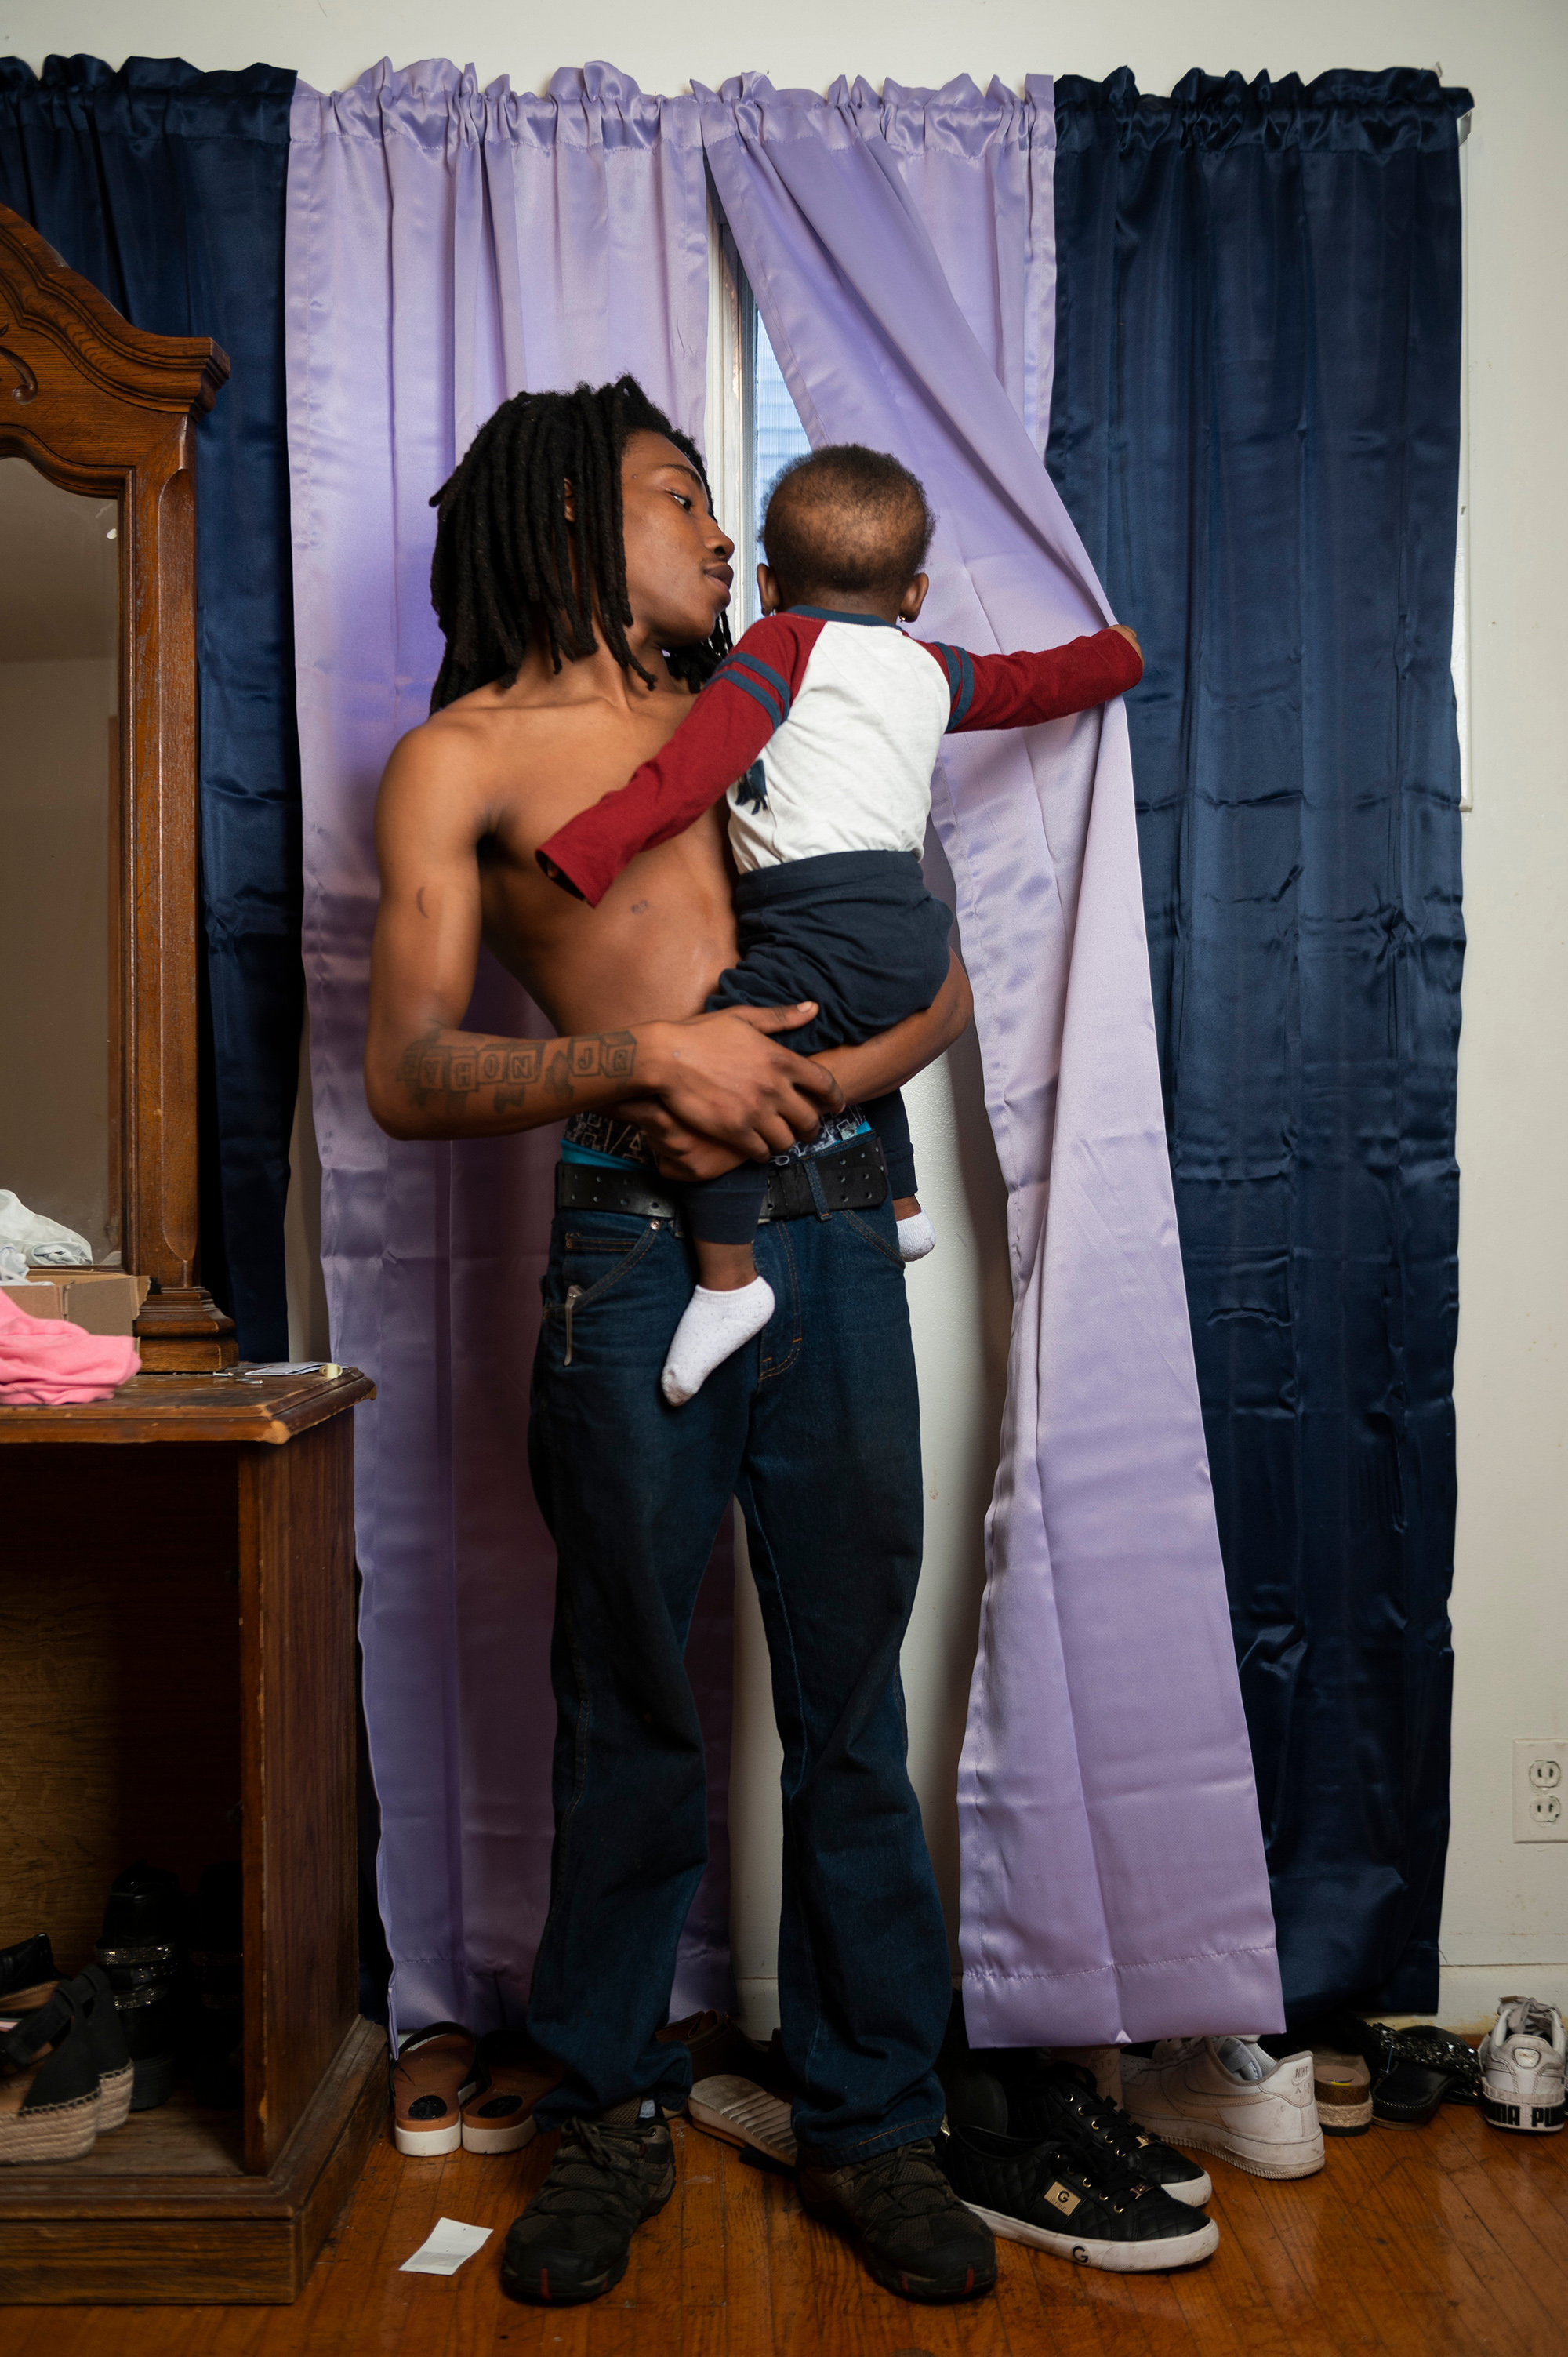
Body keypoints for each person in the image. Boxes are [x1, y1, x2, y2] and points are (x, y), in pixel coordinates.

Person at [364, 375, 993, 2308]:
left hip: (829, 1229)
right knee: (625, 1701)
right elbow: (402, 1066)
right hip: (629, 1260)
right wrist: (652, 1056)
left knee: (843, 1713)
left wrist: (799, 1093)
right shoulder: (455, 757)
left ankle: (872, 2118)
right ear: (568, 521)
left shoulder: (790, 698)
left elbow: (935, 978)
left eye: (721, 502)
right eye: (675, 496)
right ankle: (617, 2105)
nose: (722, 534)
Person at [537, 442, 1143, 1404]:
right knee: (846, 1021)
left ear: (769, 584)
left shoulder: (778, 647)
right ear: (914, 593)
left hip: (813, 917)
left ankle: (728, 1285)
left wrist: (591, 848)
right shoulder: (927, 666)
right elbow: (1032, 685)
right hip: (905, 927)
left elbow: (695, 766)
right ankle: (899, 1202)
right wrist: (1115, 658)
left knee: (727, 1046)